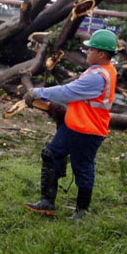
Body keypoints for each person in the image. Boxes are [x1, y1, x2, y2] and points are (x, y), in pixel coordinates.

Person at [22, 29, 118, 220]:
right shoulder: (98, 69)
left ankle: (82, 211)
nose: (87, 51)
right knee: (50, 154)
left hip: (88, 130)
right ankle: (46, 203)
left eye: (90, 49)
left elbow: (68, 92)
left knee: (82, 168)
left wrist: (37, 93)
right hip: (74, 125)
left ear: (101, 53)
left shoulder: (98, 76)